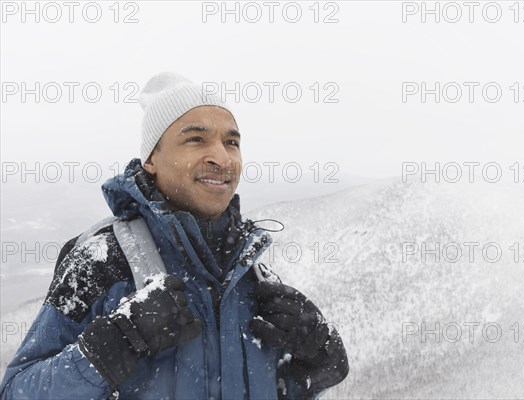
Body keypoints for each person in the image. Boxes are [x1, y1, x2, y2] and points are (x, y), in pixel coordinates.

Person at [0, 72, 349, 399]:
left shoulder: (250, 270)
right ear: (152, 157)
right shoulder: (102, 260)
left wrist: (316, 363)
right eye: (196, 139)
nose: (221, 157)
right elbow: (17, 390)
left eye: (232, 142)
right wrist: (116, 342)